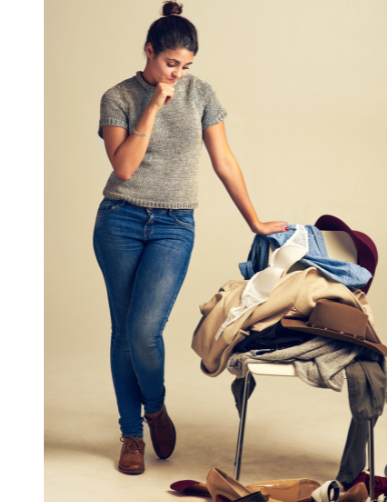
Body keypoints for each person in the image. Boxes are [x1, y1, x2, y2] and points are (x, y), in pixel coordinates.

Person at [93, 1, 287, 475]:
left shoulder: (202, 94)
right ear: (149, 51)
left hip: (174, 225)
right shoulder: (117, 96)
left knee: (144, 331)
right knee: (122, 333)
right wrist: (153, 107)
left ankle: (154, 407)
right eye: (169, 63)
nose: (176, 74)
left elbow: (224, 160)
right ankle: (131, 433)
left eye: (185, 66)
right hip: (119, 220)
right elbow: (123, 167)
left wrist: (255, 221)